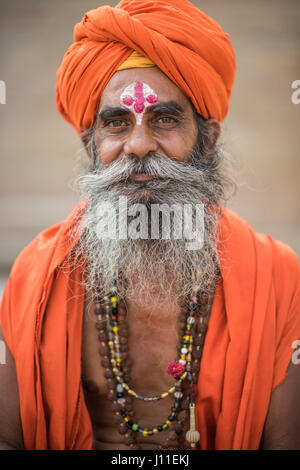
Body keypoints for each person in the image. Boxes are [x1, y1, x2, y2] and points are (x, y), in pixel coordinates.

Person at [0, 0, 300, 451]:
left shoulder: (277, 277)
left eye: (164, 119)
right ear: (91, 143)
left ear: (208, 139)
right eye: (117, 123)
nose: (139, 145)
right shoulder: (36, 276)